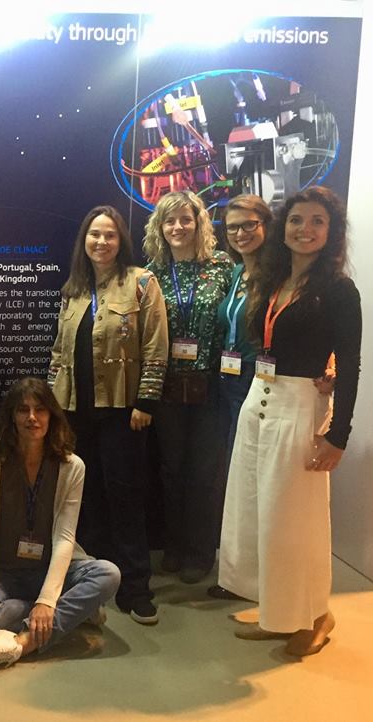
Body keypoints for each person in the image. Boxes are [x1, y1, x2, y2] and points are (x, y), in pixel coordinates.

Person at [218, 187, 361, 657]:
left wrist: (337, 437)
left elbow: (351, 364)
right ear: (283, 228)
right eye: (297, 219)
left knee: (297, 522)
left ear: (331, 231)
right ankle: (278, 611)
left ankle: (317, 616)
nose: (305, 229)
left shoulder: (338, 289)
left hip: (300, 408)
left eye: (318, 221)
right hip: (259, 400)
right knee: (260, 515)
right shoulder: (273, 278)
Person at [48, 206, 168, 624]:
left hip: (122, 411)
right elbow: (59, 353)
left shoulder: (142, 283)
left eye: (110, 235)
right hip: (74, 412)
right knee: (85, 499)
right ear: (84, 239)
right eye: (94, 234)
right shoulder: (73, 289)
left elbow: (155, 346)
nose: (101, 242)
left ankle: (136, 587)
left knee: (126, 498)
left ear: (121, 241)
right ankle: (93, 583)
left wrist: (146, 402)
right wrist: (51, 407)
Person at [0, 378, 120, 671]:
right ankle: (72, 611)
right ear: (12, 416)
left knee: (108, 574)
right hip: (4, 571)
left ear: (52, 416)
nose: (32, 417)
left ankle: (24, 643)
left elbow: (65, 538)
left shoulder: (72, 466)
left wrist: (47, 600)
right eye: (23, 410)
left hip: (51, 568)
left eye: (40, 410)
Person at [143, 191, 233, 584]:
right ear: (160, 228)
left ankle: (201, 551)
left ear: (199, 223)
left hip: (211, 386)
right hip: (167, 388)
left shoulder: (222, 267)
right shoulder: (152, 273)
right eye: (170, 221)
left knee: (205, 472)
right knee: (171, 470)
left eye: (185, 219)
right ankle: (174, 546)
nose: (178, 227)